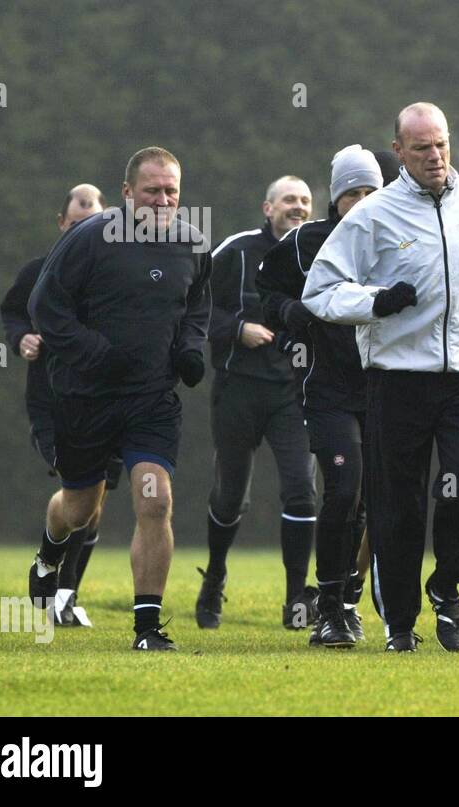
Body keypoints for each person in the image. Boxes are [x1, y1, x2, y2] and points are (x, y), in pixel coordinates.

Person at [304, 102, 459, 653]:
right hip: (398, 379)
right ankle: (400, 625)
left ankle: (447, 587)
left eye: (441, 144)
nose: (435, 156)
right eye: (421, 148)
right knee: (397, 508)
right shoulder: (372, 217)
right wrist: (377, 302)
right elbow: (319, 291)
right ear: (398, 152)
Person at [27, 146, 211, 651]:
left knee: (155, 500)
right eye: (152, 190)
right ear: (128, 193)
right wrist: (95, 353)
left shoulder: (192, 244)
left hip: (151, 400)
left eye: (171, 190)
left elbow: (196, 308)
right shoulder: (89, 239)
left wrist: (191, 350)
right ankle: (48, 555)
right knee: (81, 509)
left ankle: (147, 629)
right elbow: (44, 306)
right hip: (86, 397)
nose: (163, 199)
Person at [257, 145, 395, 647]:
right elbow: (267, 292)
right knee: (342, 487)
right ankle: (330, 611)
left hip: (386, 387)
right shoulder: (305, 243)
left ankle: (347, 600)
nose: (360, 202)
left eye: (370, 192)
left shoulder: (402, 237)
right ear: (334, 198)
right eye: (350, 193)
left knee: (366, 501)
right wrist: (290, 313)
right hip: (328, 389)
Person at [195, 176, 320, 631]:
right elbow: (195, 303)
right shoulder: (236, 251)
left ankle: (295, 601)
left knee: (301, 491)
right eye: (290, 200)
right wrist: (236, 329)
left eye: (306, 200)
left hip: (293, 394)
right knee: (231, 497)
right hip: (238, 390)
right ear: (268, 208)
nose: (299, 207)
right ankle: (214, 577)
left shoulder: (319, 249)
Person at [1, 184, 109, 627]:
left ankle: (66, 594)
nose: (87, 229)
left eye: (96, 222)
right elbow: (13, 314)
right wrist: (20, 338)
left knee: (97, 498)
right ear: (62, 223)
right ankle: (48, 566)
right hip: (52, 404)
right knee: (79, 491)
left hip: (105, 402)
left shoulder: (110, 277)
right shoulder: (37, 273)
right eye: (79, 221)